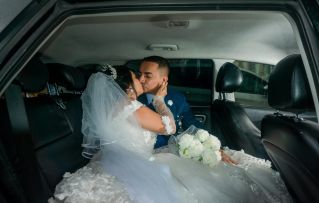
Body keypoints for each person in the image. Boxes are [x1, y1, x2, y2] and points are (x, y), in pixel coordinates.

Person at [51, 66, 292, 203]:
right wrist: (158, 101)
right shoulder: (132, 107)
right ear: (127, 86)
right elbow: (169, 128)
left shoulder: (115, 109)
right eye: (137, 77)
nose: (141, 81)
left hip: (120, 160)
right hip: (139, 162)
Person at [138, 56, 202, 149]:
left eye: (147, 76)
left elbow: (191, 123)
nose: (140, 80)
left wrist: (210, 145)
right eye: (139, 74)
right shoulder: (133, 99)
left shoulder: (177, 98)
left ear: (164, 80)